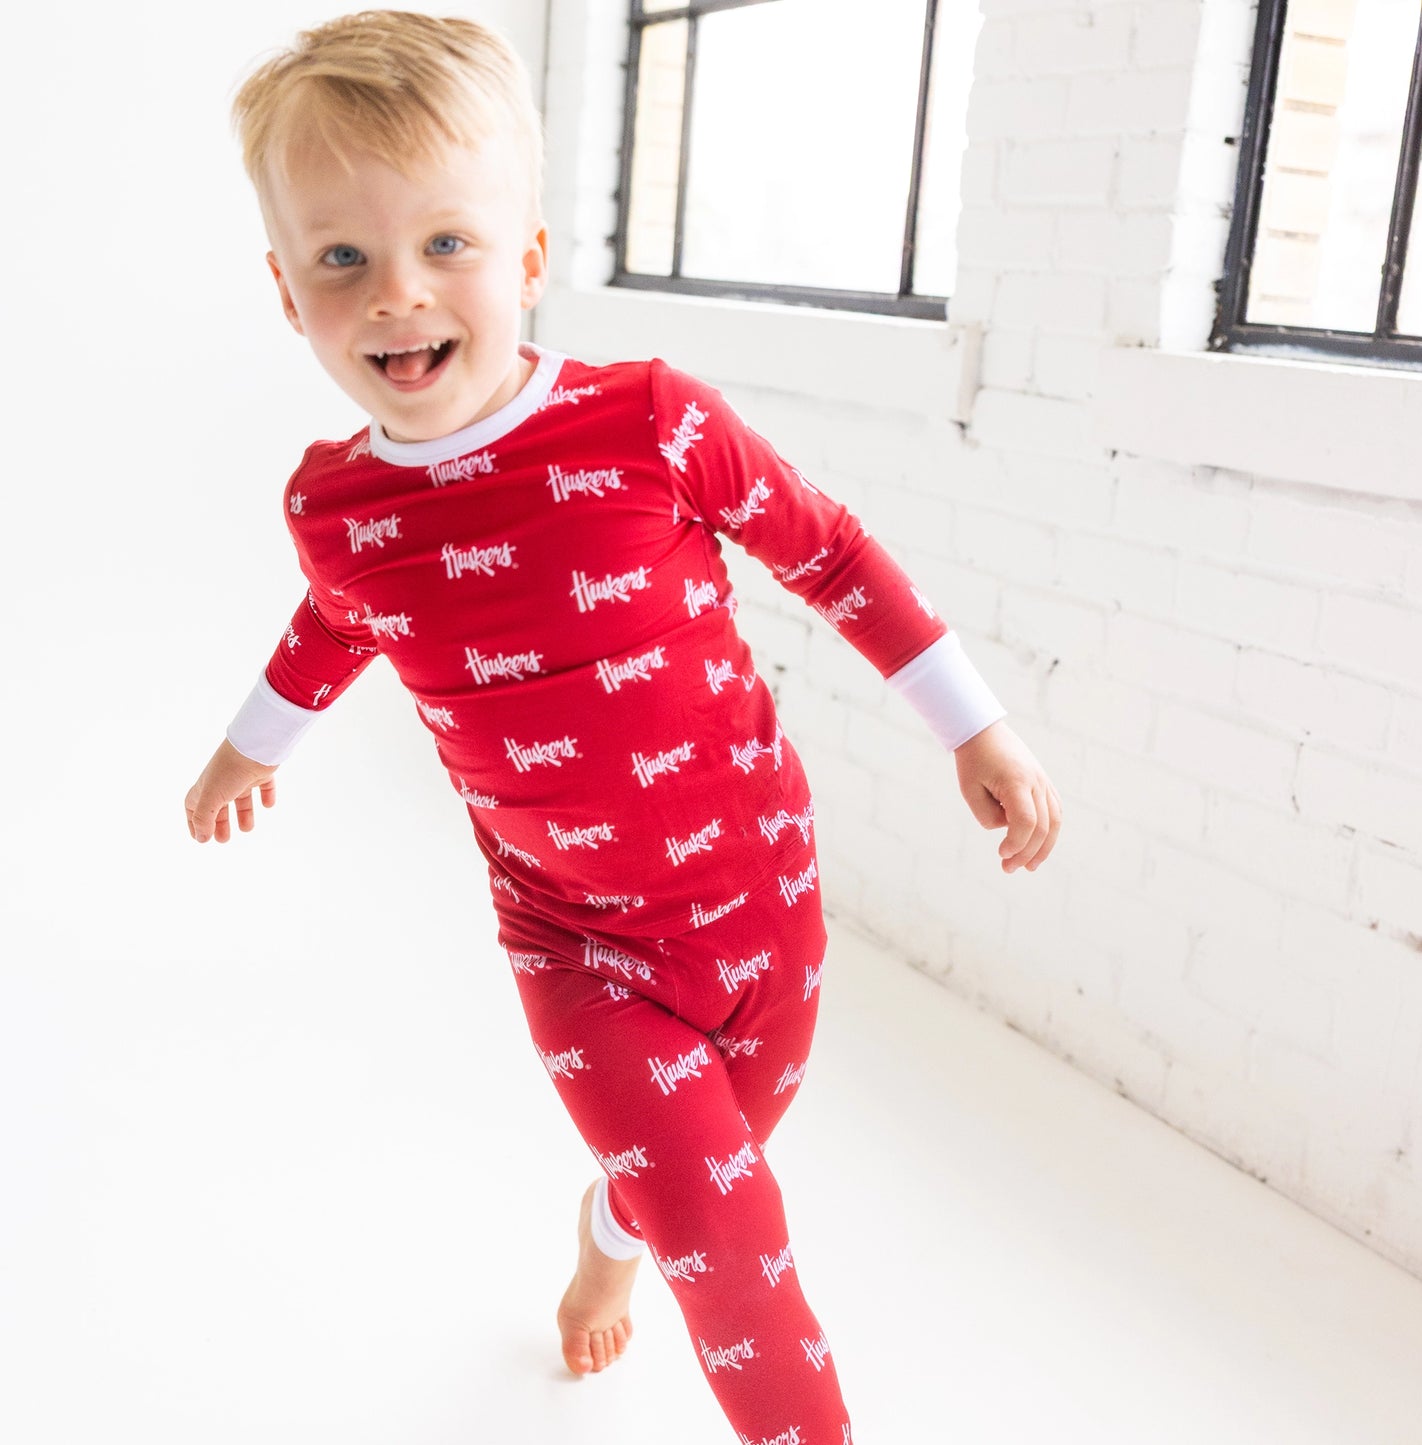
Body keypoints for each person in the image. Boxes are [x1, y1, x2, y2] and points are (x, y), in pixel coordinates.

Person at [184, 11, 1062, 1441]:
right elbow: (339, 620)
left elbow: (827, 551)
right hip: (574, 938)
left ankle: (610, 1229)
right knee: (727, 1227)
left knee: (707, 1165)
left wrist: (973, 725)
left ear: (527, 258)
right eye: (342, 258)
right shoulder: (334, 507)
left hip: (759, 892)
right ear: (288, 293)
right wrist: (249, 746)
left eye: (446, 243)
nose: (398, 294)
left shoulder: (648, 421)